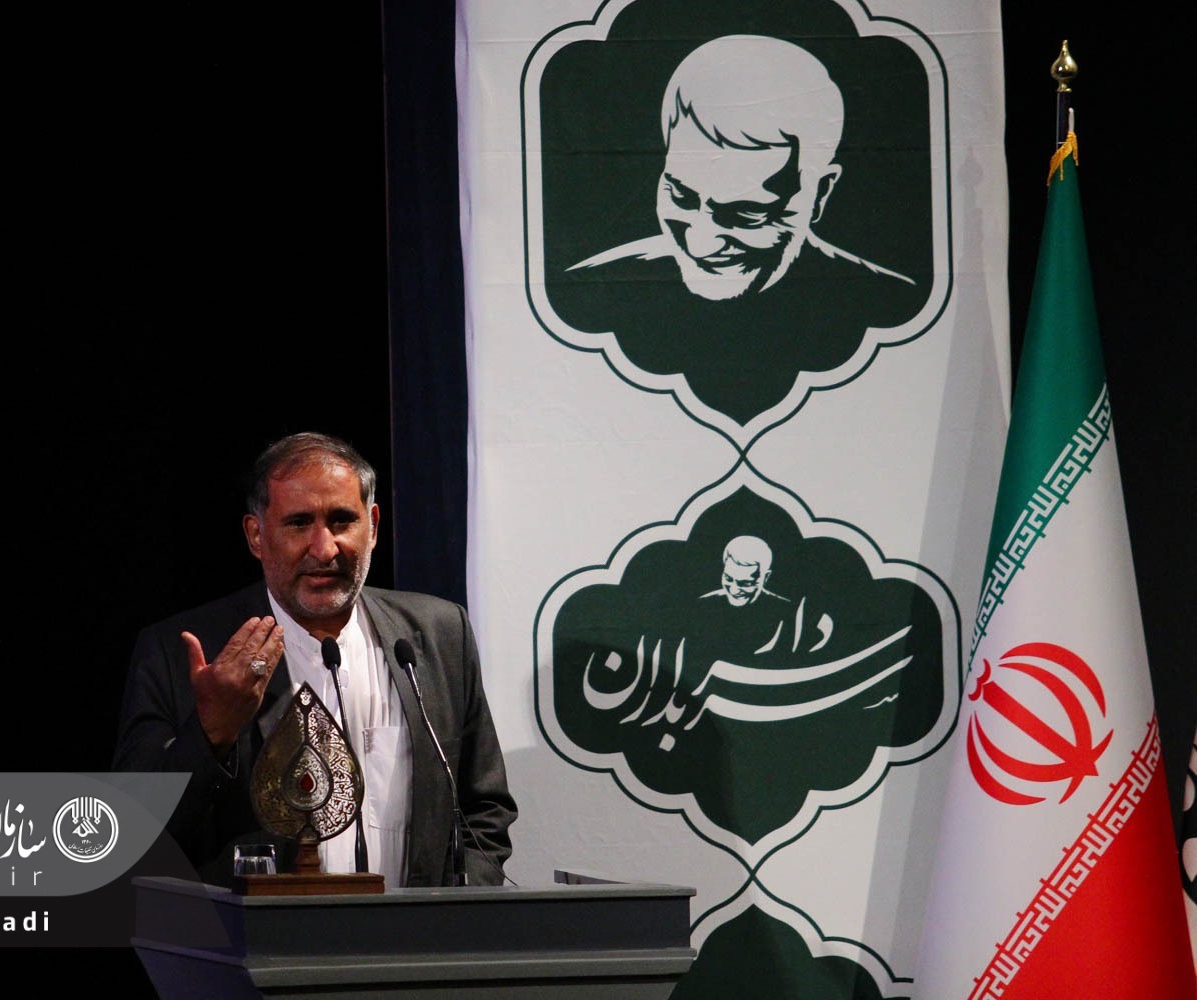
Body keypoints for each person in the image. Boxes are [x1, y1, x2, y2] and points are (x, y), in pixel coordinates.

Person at [112, 432, 517, 888]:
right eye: (299, 523)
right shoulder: (181, 652)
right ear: (256, 535)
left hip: (416, 932)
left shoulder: (439, 634)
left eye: (342, 520)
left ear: (373, 526)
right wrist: (210, 734)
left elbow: (484, 810)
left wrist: (455, 913)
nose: (324, 549)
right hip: (261, 932)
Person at [547, 34, 928, 423]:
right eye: (681, 196)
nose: (700, 243)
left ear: (819, 193)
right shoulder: (591, 290)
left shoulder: (885, 303)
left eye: (746, 214)